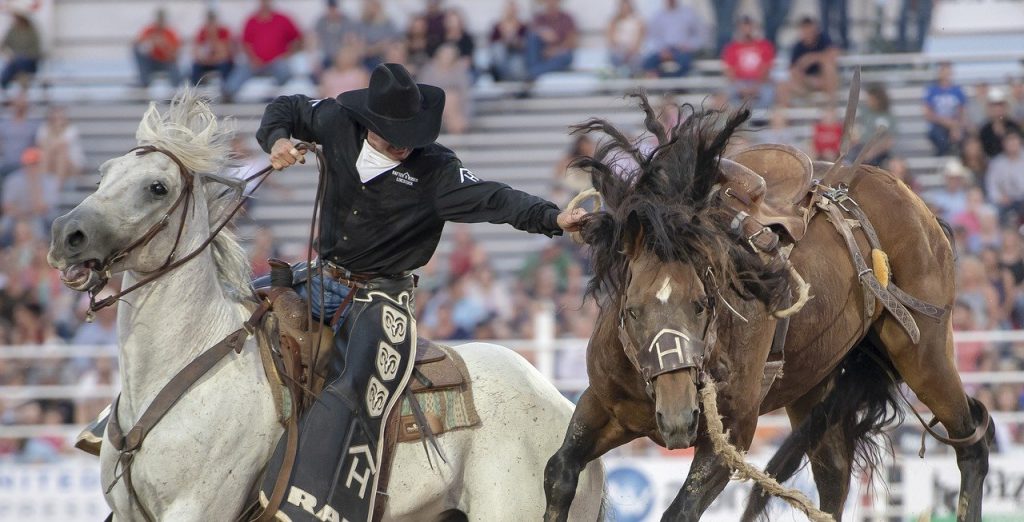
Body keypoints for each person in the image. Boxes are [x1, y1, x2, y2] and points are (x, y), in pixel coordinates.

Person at [253, 63, 585, 521]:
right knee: (239, 312)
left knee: (359, 382)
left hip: (382, 300)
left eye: (412, 133)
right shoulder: (335, 122)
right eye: (394, 134)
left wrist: (552, 218)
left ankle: (320, 505)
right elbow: (287, 107)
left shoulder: (437, 170)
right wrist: (277, 140)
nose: (405, 144)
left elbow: (496, 198)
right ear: (369, 124)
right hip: (320, 276)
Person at [221, 0, 302, 102]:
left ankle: (272, 97)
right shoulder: (251, 21)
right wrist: (253, 59)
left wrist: (288, 54)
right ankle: (227, 95)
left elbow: (298, 40)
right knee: (242, 69)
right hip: (256, 63)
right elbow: (245, 43)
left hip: (276, 62)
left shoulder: (283, 19)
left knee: (284, 70)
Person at [777, 17, 839, 107]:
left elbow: (834, 54)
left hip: (825, 80)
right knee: (782, 86)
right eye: (805, 30)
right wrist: (810, 80)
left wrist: (812, 58)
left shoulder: (823, 39)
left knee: (828, 67)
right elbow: (793, 70)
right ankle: (788, 116)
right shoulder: (797, 47)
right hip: (807, 83)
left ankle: (831, 106)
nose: (807, 33)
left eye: (809, 29)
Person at [1, 147, 59, 242]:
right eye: (30, 164)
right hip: (17, 216)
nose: (32, 167)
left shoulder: (50, 181)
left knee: (39, 225)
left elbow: (42, 208)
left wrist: (34, 184)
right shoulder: (13, 179)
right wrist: (22, 216)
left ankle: (40, 249)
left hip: (39, 217)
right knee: (5, 224)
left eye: (35, 163)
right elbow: (7, 207)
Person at [642, 0, 709, 78]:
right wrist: (662, 50)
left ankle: (675, 83)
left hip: (683, 51)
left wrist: (689, 45)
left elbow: (701, 35)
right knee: (647, 62)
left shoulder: (689, 13)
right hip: (664, 50)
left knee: (686, 63)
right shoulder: (658, 16)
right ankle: (662, 81)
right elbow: (653, 37)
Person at [721, 15, 775, 109]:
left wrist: (756, 86)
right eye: (744, 28)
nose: (747, 31)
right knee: (725, 95)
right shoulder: (732, 48)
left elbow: (766, 69)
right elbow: (729, 71)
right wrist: (741, 88)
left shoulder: (765, 45)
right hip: (739, 83)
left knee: (769, 93)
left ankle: (759, 118)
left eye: (749, 28)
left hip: (760, 83)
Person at [417, 44, 472, 134]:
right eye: (445, 54)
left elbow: (465, 94)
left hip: (457, 108)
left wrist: (465, 116)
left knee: (452, 97)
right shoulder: (428, 70)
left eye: (450, 55)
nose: (447, 57)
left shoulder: (459, 71)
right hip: (433, 107)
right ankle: (456, 133)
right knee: (448, 96)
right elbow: (422, 91)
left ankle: (454, 127)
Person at [524, 0, 578, 81]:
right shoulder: (539, 18)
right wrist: (543, 33)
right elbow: (533, 35)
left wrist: (556, 50)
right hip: (541, 54)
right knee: (532, 37)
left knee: (567, 56)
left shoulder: (566, 18)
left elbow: (572, 41)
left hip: (558, 54)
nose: (551, 2)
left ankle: (532, 73)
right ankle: (534, 71)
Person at [923, 62, 968, 156]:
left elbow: (962, 112)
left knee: (963, 138)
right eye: (943, 70)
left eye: (948, 71)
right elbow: (928, 114)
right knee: (940, 139)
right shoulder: (932, 90)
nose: (946, 74)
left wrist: (955, 126)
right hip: (938, 126)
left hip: (955, 125)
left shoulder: (957, 90)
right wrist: (948, 123)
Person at [132, 8, 183, 87]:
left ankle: (174, 94)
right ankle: (144, 83)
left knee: (175, 69)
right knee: (137, 51)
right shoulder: (149, 31)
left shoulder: (170, 33)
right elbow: (136, 44)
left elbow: (175, 56)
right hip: (151, 62)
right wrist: (149, 41)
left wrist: (164, 46)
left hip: (166, 62)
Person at [35, 106, 84, 184]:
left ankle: (55, 190)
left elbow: (61, 145)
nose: (57, 120)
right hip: (50, 161)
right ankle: (45, 187)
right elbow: (41, 144)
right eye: (55, 118)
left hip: (71, 165)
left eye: (60, 118)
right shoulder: (44, 128)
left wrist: (54, 134)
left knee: (61, 153)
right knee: (46, 154)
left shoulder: (71, 129)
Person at [852, 84, 897, 166]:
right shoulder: (864, 113)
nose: (867, 101)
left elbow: (889, 140)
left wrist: (873, 152)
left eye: (870, 98)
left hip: (880, 154)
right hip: (859, 150)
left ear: (878, 99)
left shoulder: (887, 117)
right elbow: (854, 130)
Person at [986, 131, 1024, 223]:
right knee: (992, 211)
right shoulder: (997, 163)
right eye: (1009, 141)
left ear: (1020, 142)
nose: (1012, 144)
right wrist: (1000, 198)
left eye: (1014, 140)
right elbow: (991, 186)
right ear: (1004, 144)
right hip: (1005, 202)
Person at [311, 0, 359, 73]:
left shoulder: (346, 21)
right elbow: (314, 40)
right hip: (325, 56)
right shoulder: (321, 21)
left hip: (342, 54)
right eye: (330, 8)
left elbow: (351, 40)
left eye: (334, 8)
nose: (332, 11)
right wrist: (314, 57)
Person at [0, 93, 40, 178]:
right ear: (13, 105)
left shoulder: (33, 125)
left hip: (25, 166)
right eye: (18, 103)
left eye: (22, 103)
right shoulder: (3, 125)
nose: (20, 106)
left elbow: (36, 147)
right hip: (6, 164)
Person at [190, 9, 234, 85]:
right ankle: (196, 87)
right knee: (195, 66)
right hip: (207, 62)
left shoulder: (224, 31)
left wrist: (214, 37)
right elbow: (196, 52)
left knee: (225, 65)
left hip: (219, 62)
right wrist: (204, 59)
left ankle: (226, 88)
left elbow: (225, 54)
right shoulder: (202, 32)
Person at [1, 11, 42, 90]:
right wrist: (8, 54)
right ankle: (5, 85)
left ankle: (3, 83)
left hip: (30, 62)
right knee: (21, 72)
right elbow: (3, 45)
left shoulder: (31, 31)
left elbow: (35, 51)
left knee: (16, 63)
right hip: (17, 64)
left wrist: (21, 56)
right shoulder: (12, 30)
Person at [489, 0, 528, 82]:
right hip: (502, 55)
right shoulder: (498, 26)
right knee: (498, 49)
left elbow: (525, 44)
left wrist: (515, 41)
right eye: (509, 9)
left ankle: (510, 82)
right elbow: (492, 43)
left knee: (517, 64)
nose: (511, 11)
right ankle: (504, 79)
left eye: (513, 9)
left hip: (516, 53)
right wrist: (504, 37)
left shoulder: (523, 26)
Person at [978, 88, 1023, 158]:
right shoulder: (984, 129)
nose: (997, 109)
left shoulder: (1014, 126)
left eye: (1000, 105)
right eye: (994, 106)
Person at [357, 0, 401, 69]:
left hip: (382, 56)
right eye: (368, 7)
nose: (370, 9)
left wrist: (372, 49)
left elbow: (390, 41)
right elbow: (359, 41)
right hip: (364, 57)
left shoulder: (387, 23)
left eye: (373, 6)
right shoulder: (362, 24)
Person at [606, 0, 645, 77]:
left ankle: (633, 82)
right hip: (618, 50)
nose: (625, 9)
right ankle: (617, 80)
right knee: (615, 57)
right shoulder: (614, 21)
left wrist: (632, 50)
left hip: (633, 51)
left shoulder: (637, 20)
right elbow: (610, 38)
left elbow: (640, 38)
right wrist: (620, 48)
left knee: (636, 60)